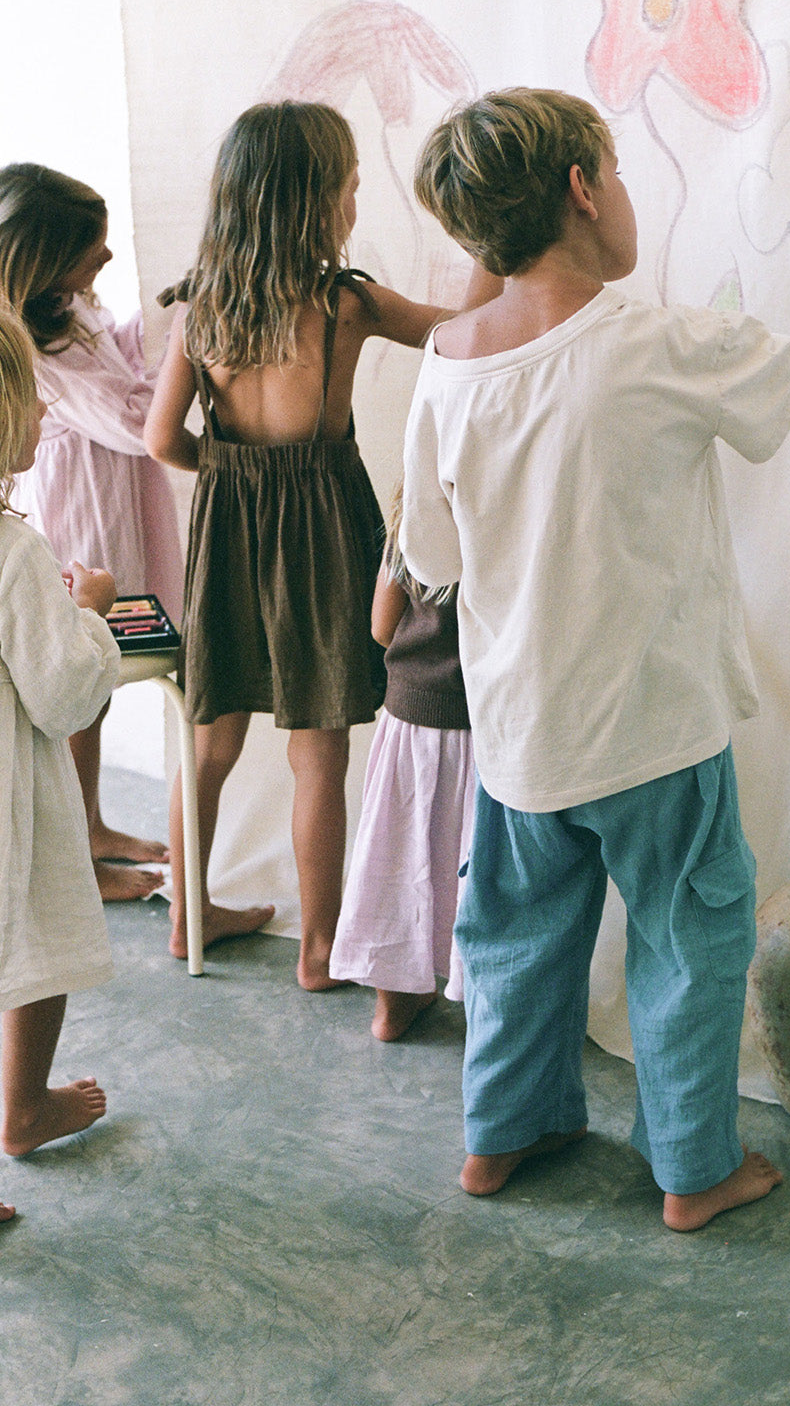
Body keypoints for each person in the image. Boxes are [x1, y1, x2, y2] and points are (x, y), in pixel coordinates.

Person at [401, 87, 790, 1230]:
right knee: (689, 940)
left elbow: (429, 551)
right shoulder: (655, 342)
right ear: (583, 190)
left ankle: (499, 1135)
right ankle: (692, 1170)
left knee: (515, 941)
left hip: (522, 734)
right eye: (618, 172)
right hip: (650, 728)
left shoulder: (446, 361)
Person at [145, 101, 499, 990]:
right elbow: (459, 335)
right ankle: (317, 950)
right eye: (346, 186)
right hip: (324, 537)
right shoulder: (344, 303)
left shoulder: (202, 309)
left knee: (208, 741)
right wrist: (497, 253)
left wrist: (227, 474)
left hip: (229, 536)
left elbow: (160, 440)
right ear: (312, 203)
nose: (355, 200)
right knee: (318, 752)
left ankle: (188, 917)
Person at [0, 163, 183, 902]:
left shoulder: (67, 310)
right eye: (90, 249)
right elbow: (136, 420)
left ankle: (92, 822)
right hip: (88, 511)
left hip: (119, 500)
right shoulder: (28, 345)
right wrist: (185, 353)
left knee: (98, 682)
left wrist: (163, 318)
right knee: (82, 666)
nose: (106, 259)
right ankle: (78, 844)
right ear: (41, 257)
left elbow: (120, 356)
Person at [0, 309, 120, 1221]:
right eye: (29, 388)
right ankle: (24, 1105)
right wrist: (94, 615)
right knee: (33, 947)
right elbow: (64, 695)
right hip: (12, 813)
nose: (46, 404)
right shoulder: (16, 553)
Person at [330, 486, 473, 1039]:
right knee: (468, 861)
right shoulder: (510, 518)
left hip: (409, 718)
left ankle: (393, 1005)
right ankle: (476, 992)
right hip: (480, 725)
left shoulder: (412, 518)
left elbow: (381, 625)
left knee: (396, 855)